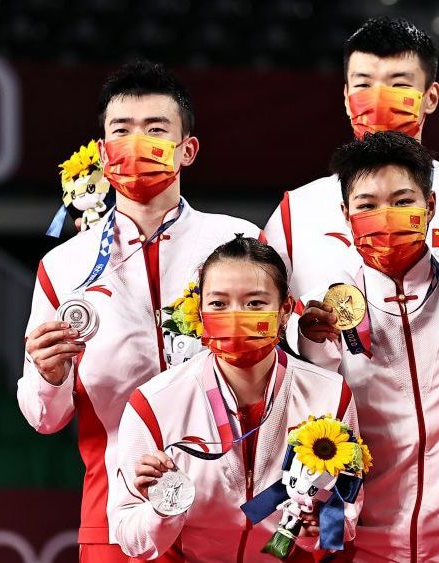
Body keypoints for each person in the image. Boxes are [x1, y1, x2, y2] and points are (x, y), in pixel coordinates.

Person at [17, 61, 262, 561]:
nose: (137, 143)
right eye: (122, 130)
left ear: (187, 149)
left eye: (156, 129)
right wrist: (49, 376)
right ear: (103, 152)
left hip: (232, 515)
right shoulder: (64, 267)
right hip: (116, 517)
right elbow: (45, 418)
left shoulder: (240, 242)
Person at [297, 131, 439, 561]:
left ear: (430, 205)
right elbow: (307, 424)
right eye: (367, 205)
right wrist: (311, 348)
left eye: (403, 201)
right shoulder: (324, 315)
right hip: (364, 550)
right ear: (346, 215)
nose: (385, 217)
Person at [109, 236, 360, 561]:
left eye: (254, 303)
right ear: (199, 310)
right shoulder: (154, 403)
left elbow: (345, 519)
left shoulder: (331, 394)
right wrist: (162, 510)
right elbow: (130, 539)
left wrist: (319, 527)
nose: (236, 316)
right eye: (218, 304)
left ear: (285, 309)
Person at [264, 16, 439, 302]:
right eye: (363, 85)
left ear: (431, 97)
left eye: (399, 85)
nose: (378, 99)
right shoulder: (295, 213)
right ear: (347, 98)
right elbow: (269, 311)